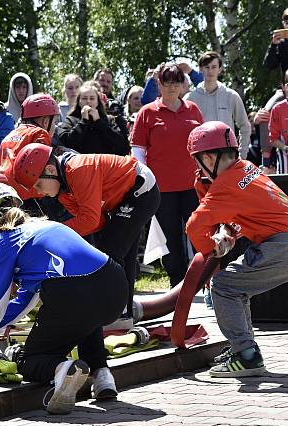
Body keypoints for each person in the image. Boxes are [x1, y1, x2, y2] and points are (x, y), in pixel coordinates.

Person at [0, 183, 128, 414]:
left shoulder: (2, 242)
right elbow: (23, 301)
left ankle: (63, 369)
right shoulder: (44, 225)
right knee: (86, 320)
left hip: (75, 293)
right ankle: (103, 377)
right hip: (115, 284)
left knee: (30, 360)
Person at [185, 121, 288, 377]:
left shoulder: (225, 184)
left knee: (223, 286)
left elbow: (194, 226)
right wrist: (227, 232)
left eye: (197, 161)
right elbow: (252, 214)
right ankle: (241, 348)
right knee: (236, 288)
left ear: (209, 158)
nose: (198, 169)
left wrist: (212, 252)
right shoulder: (247, 169)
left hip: (282, 249)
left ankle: (247, 356)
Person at [13, 143, 160, 314]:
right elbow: (96, 223)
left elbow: (90, 220)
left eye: (38, 184)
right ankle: (121, 311)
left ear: (51, 170)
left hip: (141, 191)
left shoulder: (78, 169)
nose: (39, 192)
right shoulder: (63, 191)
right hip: (124, 198)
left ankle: (114, 312)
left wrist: (52, 233)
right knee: (113, 252)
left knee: (110, 254)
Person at [130, 64, 203, 286]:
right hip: (162, 188)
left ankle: (207, 282)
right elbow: (138, 150)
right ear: (159, 84)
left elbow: (203, 146)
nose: (171, 87)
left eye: (176, 82)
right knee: (170, 238)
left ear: (183, 85)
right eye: (167, 82)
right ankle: (177, 285)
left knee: (200, 232)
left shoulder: (193, 109)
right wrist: (145, 179)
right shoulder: (147, 112)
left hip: (193, 185)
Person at [185, 51, 252, 159]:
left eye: (214, 67)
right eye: (206, 67)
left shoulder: (231, 95)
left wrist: (242, 154)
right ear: (200, 69)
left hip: (227, 156)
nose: (210, 71)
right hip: (201, 157)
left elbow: (245, 125)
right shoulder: (190, 98)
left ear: (220, 69)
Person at [0, 93, 59, 201]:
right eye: (54, 122)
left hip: (6, 195)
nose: (55, 127)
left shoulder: (9, 136)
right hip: (30, 198)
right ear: (46, 122)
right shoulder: (39, 133)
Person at [56, 81, 130, 156]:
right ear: (79, 102)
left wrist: (99, 122)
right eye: (84, 98)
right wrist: (83, 122)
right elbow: (67, 142)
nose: (88, 101)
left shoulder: (109, 120)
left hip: (105, 164)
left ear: (97, 102)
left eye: (92, 98)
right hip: (80, 164)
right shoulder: (71, 120)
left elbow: (120, 144)